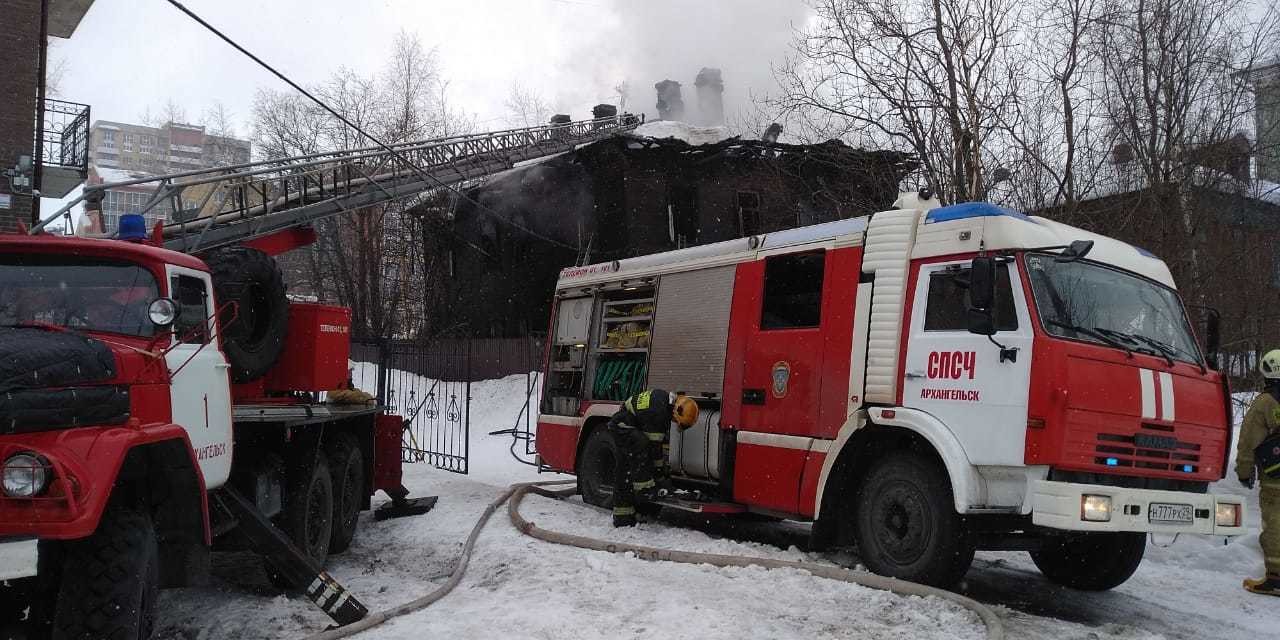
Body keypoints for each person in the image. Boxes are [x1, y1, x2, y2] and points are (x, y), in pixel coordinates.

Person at [607, 388, 699, 527]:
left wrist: (660, 476)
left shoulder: (665, 404)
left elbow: (655, 450)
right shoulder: (659, 413)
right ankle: (638, 496)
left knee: (631, 463)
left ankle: (626, 514)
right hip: (622, 424)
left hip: (629, 422)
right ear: (676, 411)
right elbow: (653, 451)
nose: (674, 422)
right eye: (676, 420)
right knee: (636, 453)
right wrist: (657, 479)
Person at [1237, 349, 1280, 597]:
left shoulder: (1265, 403)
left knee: (1275, 525)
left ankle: (1276, 578)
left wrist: (1244, 472)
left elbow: (1247, 442)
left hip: (1276, 479)